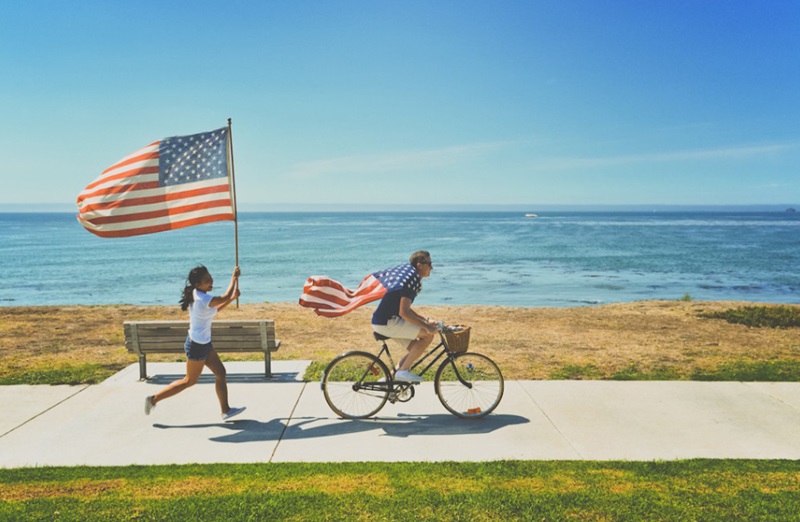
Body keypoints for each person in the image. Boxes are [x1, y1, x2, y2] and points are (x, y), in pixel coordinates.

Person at [144, 265, 246, 421]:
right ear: (198, 285)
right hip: (196, 346)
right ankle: (153, 399)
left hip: (204, 343)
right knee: (189, 381)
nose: (211, 281)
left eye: (210, 277)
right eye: (207, 280)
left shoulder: (199, 294)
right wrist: (234, 278)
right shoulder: (202, 298)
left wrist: (232, 298)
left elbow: (216, 309)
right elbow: (223, 297)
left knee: (221, 373)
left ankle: (225, 410)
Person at [371, 250, 439, 383]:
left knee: (415, 349)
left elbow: (406, 310)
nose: (431, 267)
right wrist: (427, 327)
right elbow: (404, 313)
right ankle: (402, 372)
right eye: (429, 264)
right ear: (419, 265)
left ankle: (390, 380)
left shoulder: (410, 278)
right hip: (387, 323)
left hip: (385, 321)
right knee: (427, 336)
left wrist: (425, 320)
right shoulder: (409, 281)